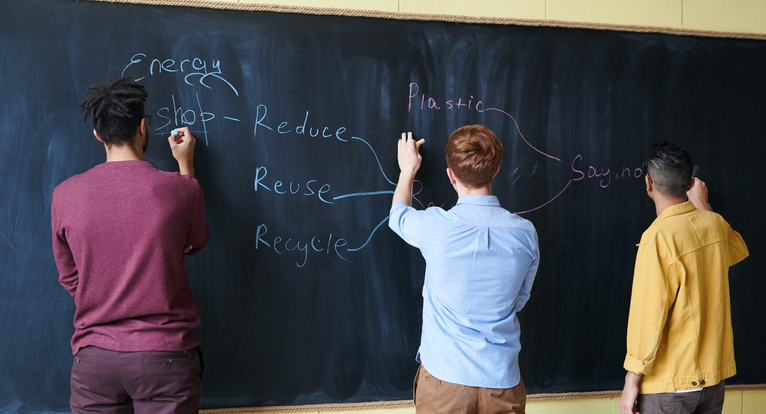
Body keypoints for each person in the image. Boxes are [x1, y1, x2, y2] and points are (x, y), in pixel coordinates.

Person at [51, 77, 209, 413]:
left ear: (97, 134)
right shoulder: (182, 190)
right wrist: (186, 166)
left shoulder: (64, 195)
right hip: (165, 357)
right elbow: (196, 241)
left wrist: (106, 298)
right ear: (141, 127)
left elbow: (70, 279)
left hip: (94, 361)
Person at [389, 126, 539, 414]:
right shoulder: (525, 234)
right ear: (496, 172)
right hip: (502, 381)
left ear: (450, 175)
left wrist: (407, 170)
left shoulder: (434, 226)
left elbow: (398, 216)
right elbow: (519, 300)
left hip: (445, 381)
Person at [619, 143, 749, 414]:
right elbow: (737, 250)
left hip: (670, 383)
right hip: (712, 380)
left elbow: (648, 315)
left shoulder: (657, 237)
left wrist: (632, 379)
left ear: (648, 183)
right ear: (691, 183)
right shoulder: (714, 223)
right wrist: (703, 205)